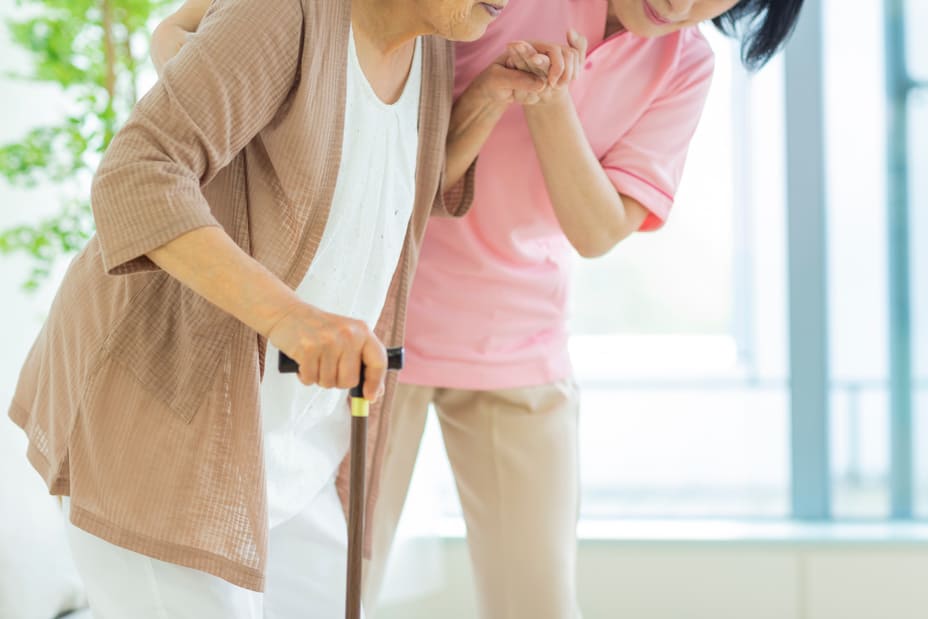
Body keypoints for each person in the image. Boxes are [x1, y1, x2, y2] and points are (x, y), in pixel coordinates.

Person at [153, 1, 806, 618]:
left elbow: (599, 229)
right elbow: (196, 42)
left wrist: (550, 107)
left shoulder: (684, 65)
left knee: (540, 604)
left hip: (518, 345)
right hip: (372, 329)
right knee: (332, 588)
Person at [6, 0, 547, 617]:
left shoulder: (430, 44)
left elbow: (397, 189)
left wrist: (486, 100)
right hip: (168, 423)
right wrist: (292, 319)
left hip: (295, 442)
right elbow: (138, 174)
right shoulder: (284, 15)